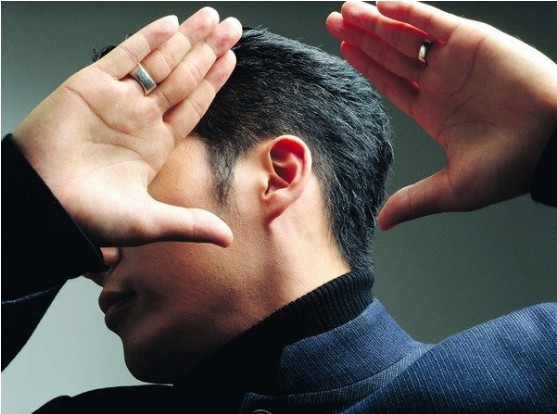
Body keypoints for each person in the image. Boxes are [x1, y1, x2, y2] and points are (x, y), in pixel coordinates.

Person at [2, 1, 556, 413]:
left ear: (279, 175)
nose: (92, 255)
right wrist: (25, 209)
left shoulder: (530, 375)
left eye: (135, 175)